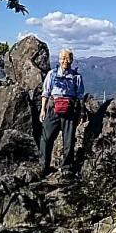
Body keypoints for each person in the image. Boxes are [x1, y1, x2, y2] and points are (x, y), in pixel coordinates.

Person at [39, 49, 85, 179]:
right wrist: (43, 110)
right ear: (59, 60)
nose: (66, 61)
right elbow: (45, 93)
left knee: (69, 141)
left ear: (72, 60)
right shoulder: (52, 74)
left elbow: (80, 96)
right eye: (63, 58)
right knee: (46, 138)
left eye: (68, 58)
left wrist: (81, 112)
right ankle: (44, 166)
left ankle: (67, 169)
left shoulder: (76, 77)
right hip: (53, 110)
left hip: (70, 112)